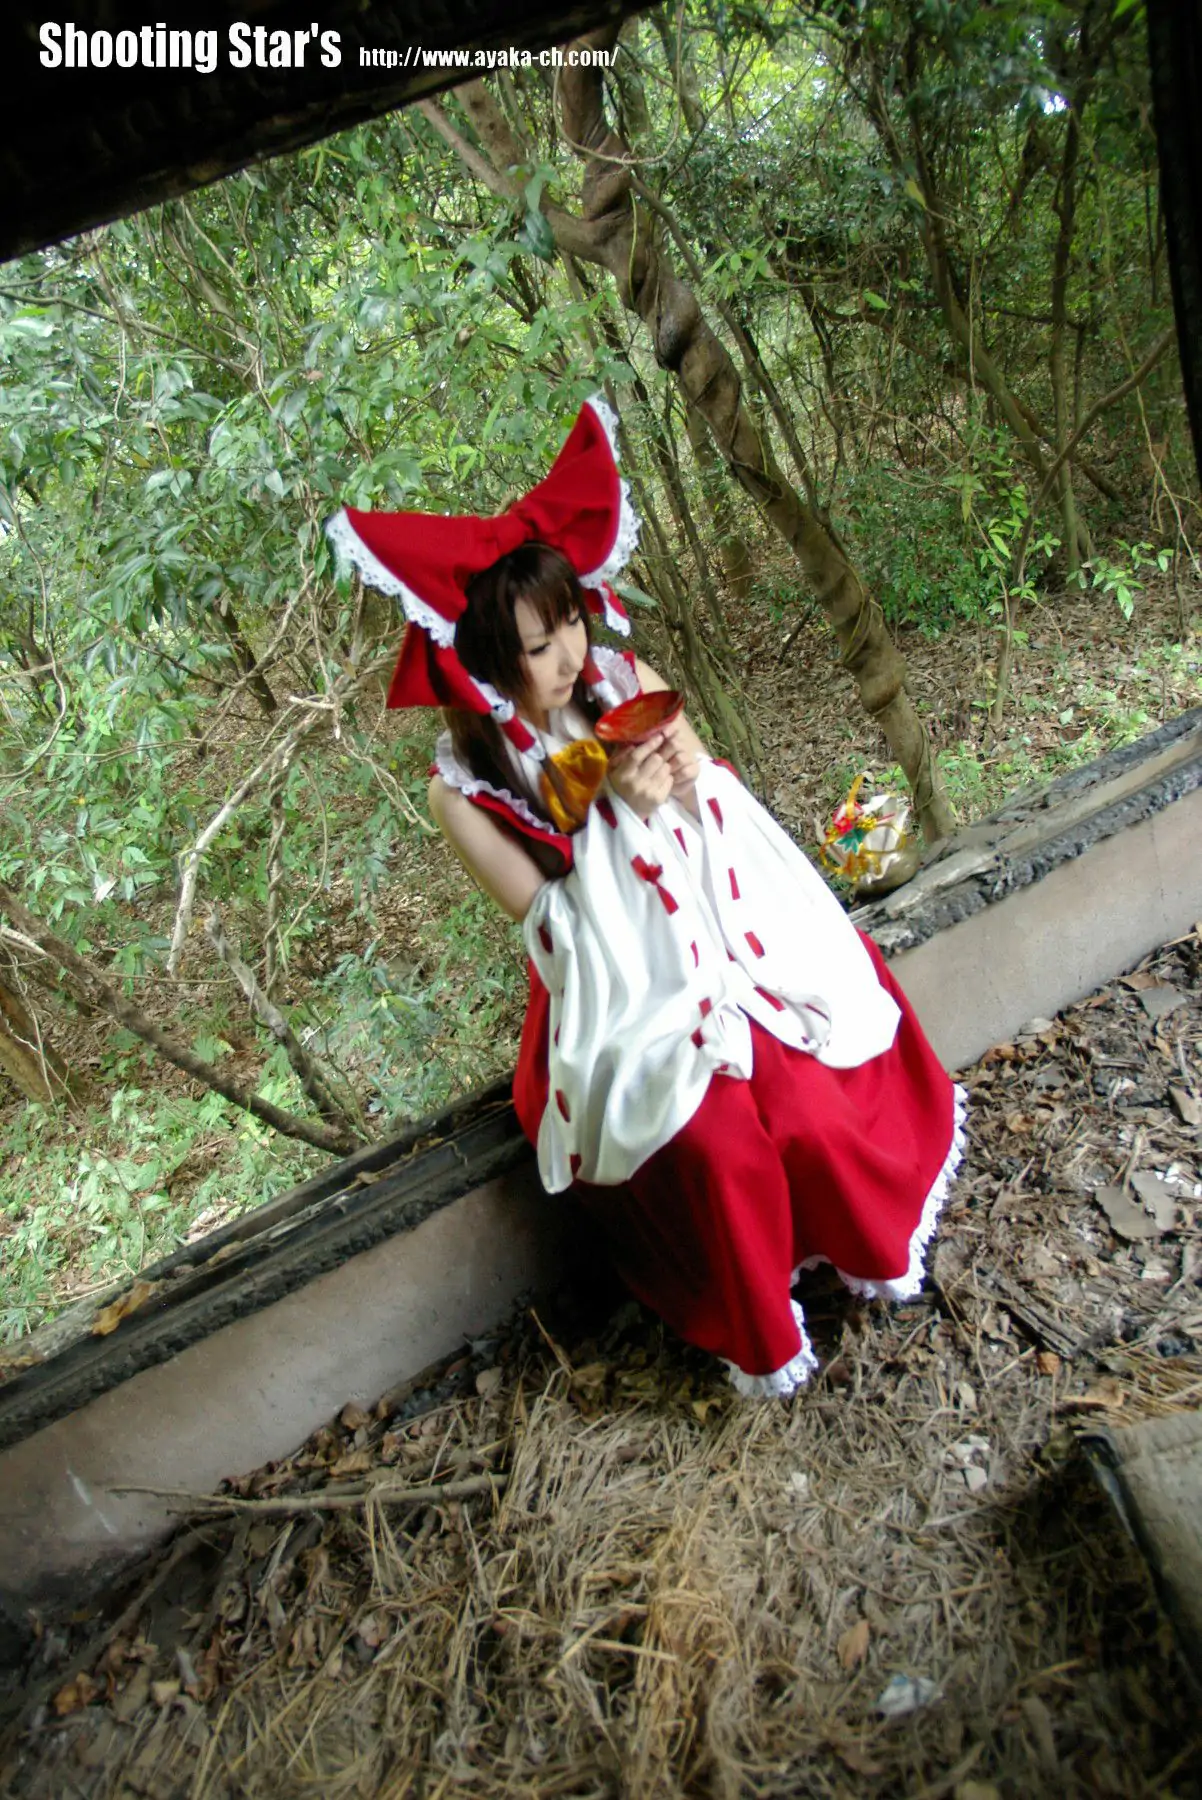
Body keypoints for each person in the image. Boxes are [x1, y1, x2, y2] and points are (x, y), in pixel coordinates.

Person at [327, 395, 965, 1398]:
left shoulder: (626, 677)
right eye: (537, 646)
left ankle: (845, 1246)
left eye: (569, 623)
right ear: (483, 660)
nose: (568, 656)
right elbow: (544, 915)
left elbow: (714, 801)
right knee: (709, 1140)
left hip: (722, 922)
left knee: (807, 1090)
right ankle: (755, 1313)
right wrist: (604, 802)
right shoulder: (463, 789)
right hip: (618, 981)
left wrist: (686, 785)